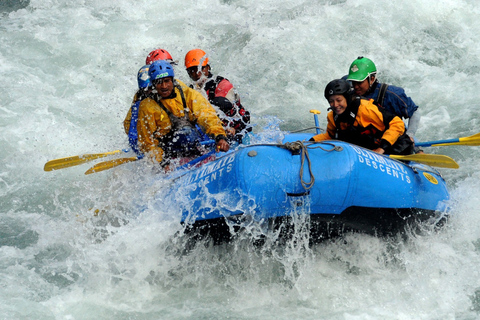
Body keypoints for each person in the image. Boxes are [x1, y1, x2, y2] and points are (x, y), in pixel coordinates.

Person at [123, 60, 229, 167]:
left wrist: (220, 136)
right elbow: (147, 142)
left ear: (172, 80)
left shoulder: (187, 93)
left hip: (192, 140)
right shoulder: (146, 107)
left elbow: (207, 115)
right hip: (167, 151)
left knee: (188, 132)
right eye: (159, 82)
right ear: (153, 83)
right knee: (184, 133)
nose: (164, 86)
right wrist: (163, 163)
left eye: (167, 81)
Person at [311, 79, 414, 155]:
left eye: (339, 100)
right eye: (331, 101)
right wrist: (311, 141)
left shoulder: (365, 109)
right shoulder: (334, 117)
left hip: (394, 146)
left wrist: (381, 149)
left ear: (347, 98)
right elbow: (330, 136)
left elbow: (397, 123)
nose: (335, 105)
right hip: (369, 150)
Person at [345, 57, 422, 151]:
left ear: (372, 79)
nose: (356, 86)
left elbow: (414, 112)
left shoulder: (391, 94)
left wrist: (410, 135)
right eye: (354, 82)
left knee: (408, 138)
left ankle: (419, 151)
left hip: (392, 137)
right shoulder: (349, 92)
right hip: (369, 139)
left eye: (359, 82)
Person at [184, 48, 251, 144]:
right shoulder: (190, 89)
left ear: (208, 67)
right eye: (192, 70)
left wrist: (230, 128)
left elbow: (223, 107)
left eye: (201, 68)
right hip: (210, 128)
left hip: (236, 126)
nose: (197, 73)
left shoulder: (222, 84)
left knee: (218, 102)